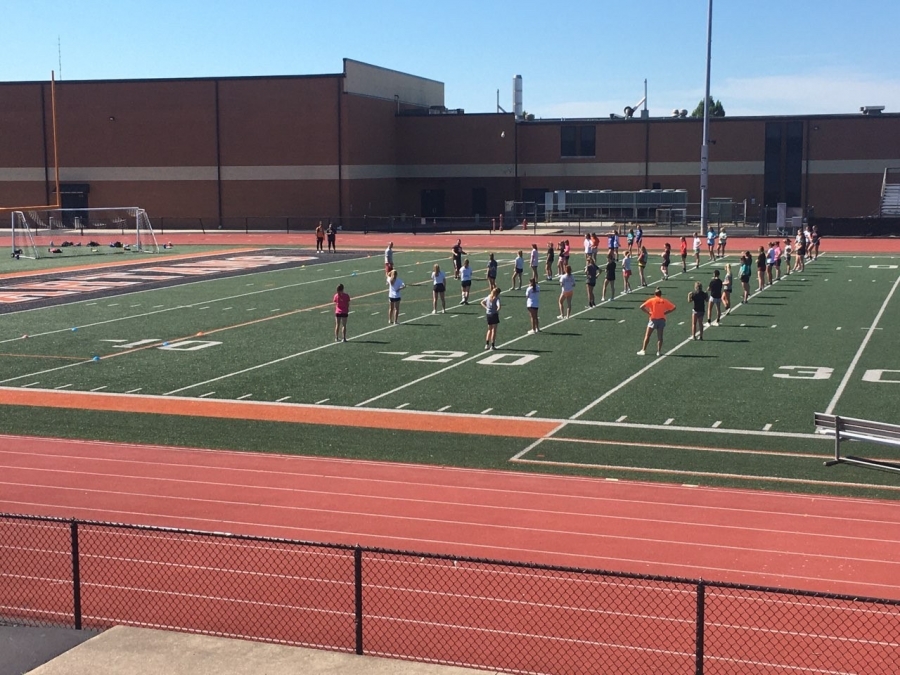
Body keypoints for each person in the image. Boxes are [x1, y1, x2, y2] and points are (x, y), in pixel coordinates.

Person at [637, 288, 676, 356]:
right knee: (660, 337)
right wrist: (666, 312)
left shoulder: (652, 300)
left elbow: (641, 307)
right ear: (661, 294)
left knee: (647, 335)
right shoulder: (664, 300)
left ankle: (643, 350)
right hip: (661, 319)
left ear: (655, 294)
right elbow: (674, 307)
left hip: (653, 319)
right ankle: (658, 351)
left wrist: (648, 313)